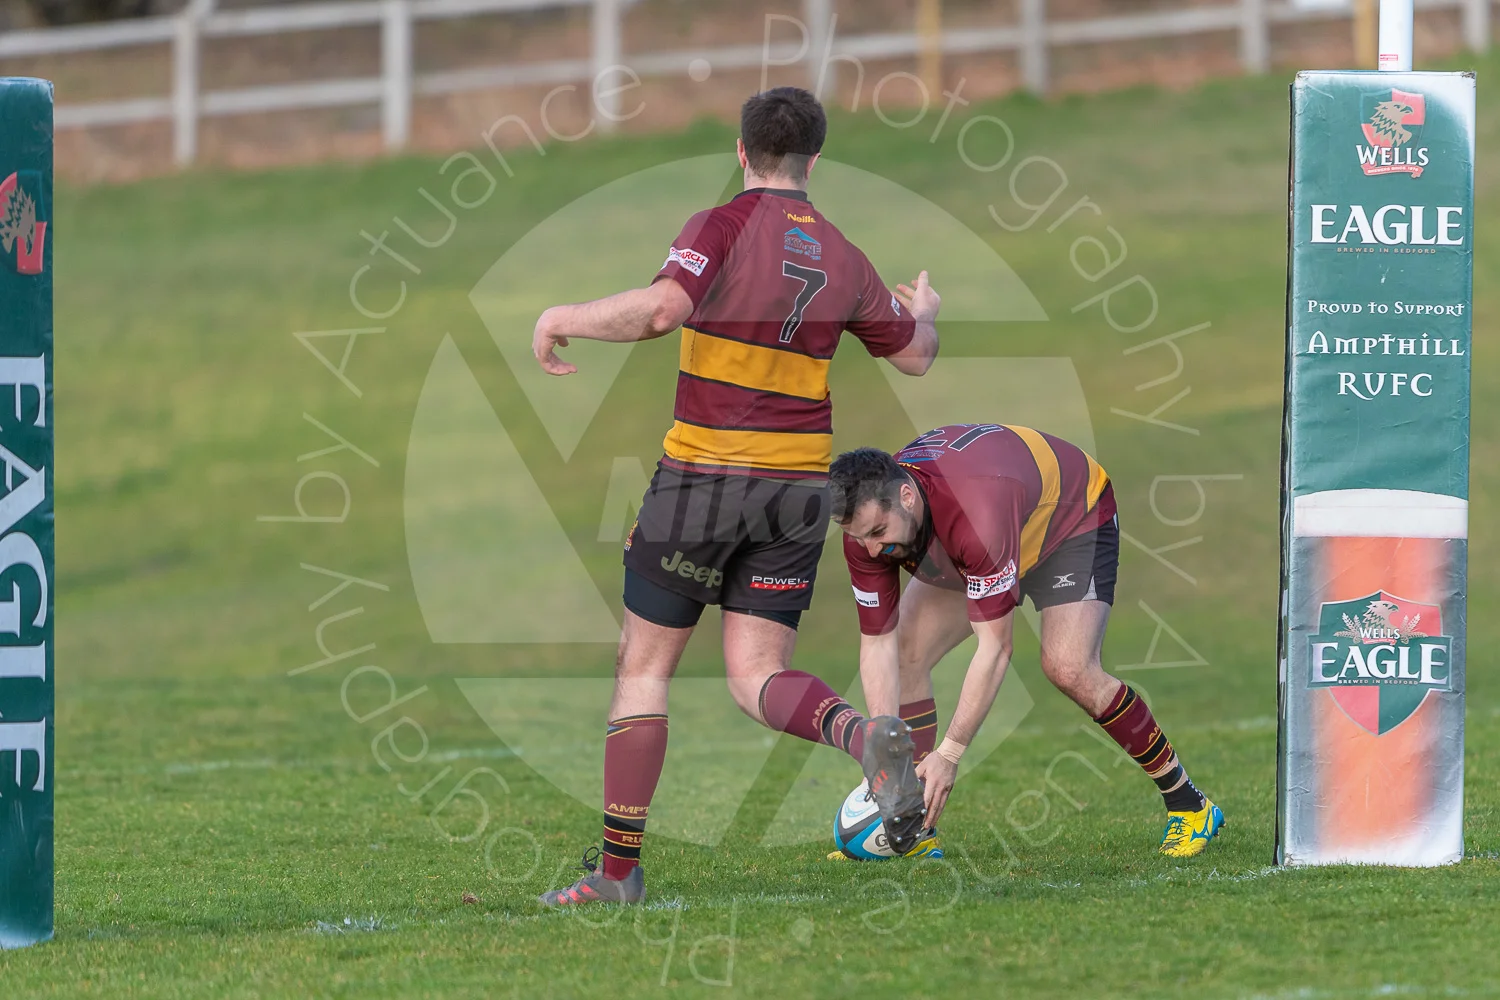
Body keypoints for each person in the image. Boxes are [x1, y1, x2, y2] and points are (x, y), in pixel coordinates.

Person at [530, 87, 943, 906]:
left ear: (741, 150)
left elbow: (658, 314)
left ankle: (617, 876)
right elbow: (917, 356)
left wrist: (559, 316)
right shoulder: (844, 255)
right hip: (796, 495)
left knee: (643, 670)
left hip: (703, 482)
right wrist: (924, 310)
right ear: (816, 160)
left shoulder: (719, 227)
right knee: (758, 671)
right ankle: (863, 735)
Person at [829, 424, 1225, 858]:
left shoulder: (974, 514)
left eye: (878, 532)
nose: (869, 550)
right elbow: (877, 644)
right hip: (979, 536)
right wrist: (887, 753)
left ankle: (1190, 805)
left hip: (1069, 522)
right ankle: (913, 828)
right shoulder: (872, 532)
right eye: (859, 536)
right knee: (907, 650)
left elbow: (995, 649)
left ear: (906, 497)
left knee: (1069, 667)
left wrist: (950, 753)